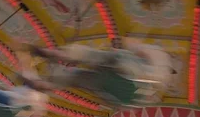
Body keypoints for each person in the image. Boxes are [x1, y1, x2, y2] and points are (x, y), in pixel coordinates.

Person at [30, 38, 171, 107]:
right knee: (80, 78)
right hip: (124, 93)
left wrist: (128, 47)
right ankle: (45, 84)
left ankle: (54, 54)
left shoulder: (157, 54)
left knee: (94, 56)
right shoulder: (160, 80)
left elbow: (139, 50)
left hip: (131, 76)